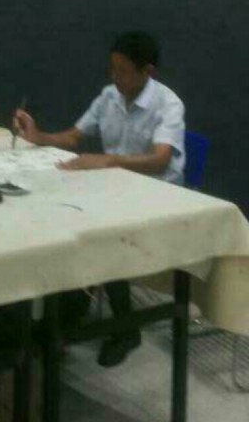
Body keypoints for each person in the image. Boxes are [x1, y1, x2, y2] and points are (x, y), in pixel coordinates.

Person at [13, 31, 185, 367]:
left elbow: (161, 160)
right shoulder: (109, 96)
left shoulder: (168, 104)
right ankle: (66, 315)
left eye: (123, 70)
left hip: (157, 196)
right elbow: (73, 137)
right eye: (112, 68)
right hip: (116, 189)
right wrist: (38, 136)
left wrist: (109, 160)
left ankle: (123, 329)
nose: (115, 77)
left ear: (147, 71)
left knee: (104, 235)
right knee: (66, 217)